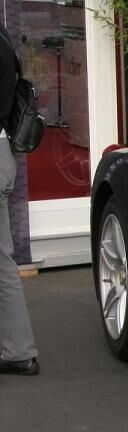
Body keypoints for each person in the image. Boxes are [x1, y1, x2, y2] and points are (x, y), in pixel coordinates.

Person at [0, 23, 39, 376]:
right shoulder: (4, 40)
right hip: (2, 155)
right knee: (3, 263)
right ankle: (19, 351)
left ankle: (20, 352)